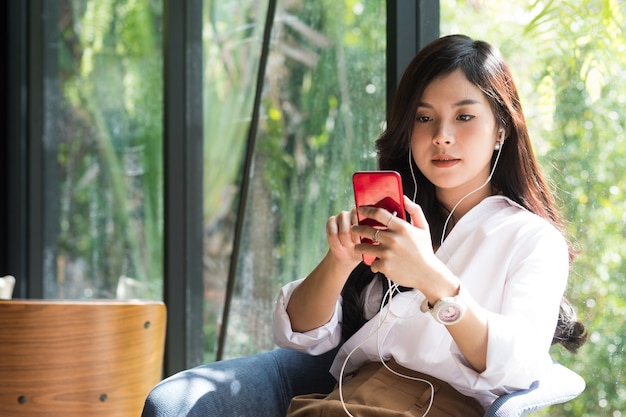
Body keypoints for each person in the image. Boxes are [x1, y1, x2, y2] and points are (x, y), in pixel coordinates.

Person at [141, 34, 586, 417]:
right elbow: (299, 334)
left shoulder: (532, 239)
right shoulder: (397, 218)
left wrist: (431, 279)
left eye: (464, 117)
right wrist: (337, 262)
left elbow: (519, 364)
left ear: (501, 130)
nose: (442, 136)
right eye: (424, 117)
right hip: (345, 400)